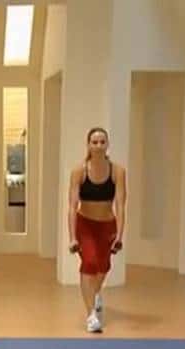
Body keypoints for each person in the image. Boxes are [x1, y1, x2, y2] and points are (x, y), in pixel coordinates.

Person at [68, 128, 126, 332]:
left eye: (102, 142)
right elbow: (72, 206)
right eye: (95, 142)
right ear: (88, 145)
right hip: (85, 225)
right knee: (90, 263)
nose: (99, 146)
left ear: (107, 145)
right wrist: (72, 237)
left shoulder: (117, 171)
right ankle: (91, 315)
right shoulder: (79, 171)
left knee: (103, 266)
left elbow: (120, 204)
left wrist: (119, 234)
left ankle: (95, 293)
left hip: (107, 225)